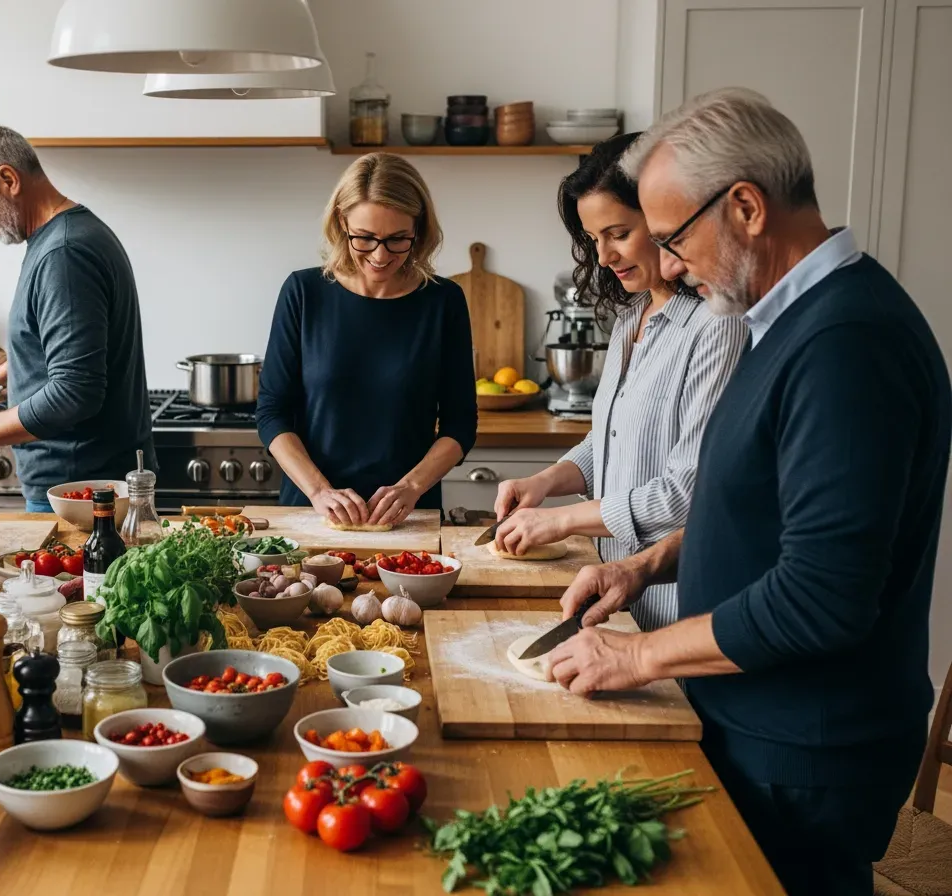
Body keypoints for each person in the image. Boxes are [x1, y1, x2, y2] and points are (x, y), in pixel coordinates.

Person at [545, 89, 950, 896]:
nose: (664, 266)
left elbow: (822, 596)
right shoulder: (790, 322)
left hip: (808, 748)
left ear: (746, 207)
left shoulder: (846, 343)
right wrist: (646, 567)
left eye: (673, 238)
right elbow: (764, 514)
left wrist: (638, 652)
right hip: (764, 722)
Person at [492, 134, 747, 631]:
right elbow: (610, 440)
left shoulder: (719, 326)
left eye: (617, 233)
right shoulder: (633, 316)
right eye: (593, 240)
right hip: (618, 596)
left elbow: (685, 493)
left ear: (665, 217)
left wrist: (562, 520)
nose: (604, 255)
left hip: (680, 607)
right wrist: (544, 482)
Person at [0, 125, 155, 511]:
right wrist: (17, 365)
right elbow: (75, 360)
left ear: (7, 179)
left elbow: (75, 391)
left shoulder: (65, 254)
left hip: (83, 497)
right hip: (81, 489)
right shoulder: (66, 238)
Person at [256, 153, 477, 526]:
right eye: (365, 238)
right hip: (311, 512)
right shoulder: (304, 292)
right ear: (342, 223)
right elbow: (272, 412)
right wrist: (319, 490)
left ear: (418, 230)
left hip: (407, 517)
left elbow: (460, 424)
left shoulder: (443, 301)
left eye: (397, 240)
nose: (380, 255)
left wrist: (411, 487)